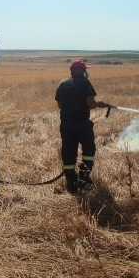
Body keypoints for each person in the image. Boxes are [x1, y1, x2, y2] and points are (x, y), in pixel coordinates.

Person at [55, 60, 111, 193]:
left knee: (68, 152)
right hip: (82, 124)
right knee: (89, 151)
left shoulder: (62, 84)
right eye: (85, 70)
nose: (86, 72)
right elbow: (91, 104)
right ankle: (84, 177)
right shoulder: (85, 84)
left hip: (66, 124)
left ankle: (71, 181)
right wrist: (100, 104)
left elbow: (60, 105)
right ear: (81, 70)